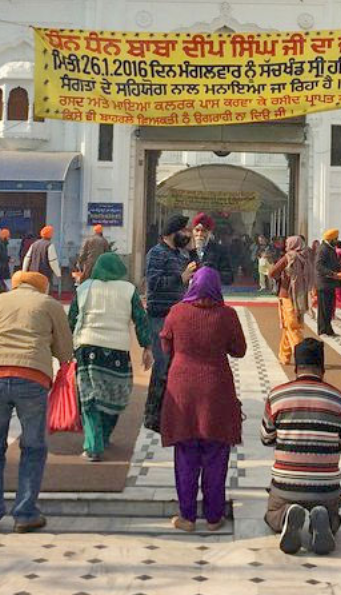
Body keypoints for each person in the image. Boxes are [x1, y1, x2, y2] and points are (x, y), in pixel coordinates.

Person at [0, 270, 73, 534]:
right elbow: (65, 350)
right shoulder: (48, 304)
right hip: (32, 377)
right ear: (42, 288)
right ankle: (25, 513)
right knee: (33, 446)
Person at [160, 267, 247, 532]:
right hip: (216, 388)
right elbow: (240, 350)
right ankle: (213, 517)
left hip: (182, 387)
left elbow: (165, 345)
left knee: (186, 453)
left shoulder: (177, 312)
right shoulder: (227, 315)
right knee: (216, 454)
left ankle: (187, 517)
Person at [261, 338, 341, 555]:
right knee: (334, 516)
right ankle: (324, 520)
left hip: (286, 485)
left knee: (271, 513)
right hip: (325, 488)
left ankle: (285, 515)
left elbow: (266, 437)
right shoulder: (339, 399)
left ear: (295, 368)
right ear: (322, 369)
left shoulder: (277, 395)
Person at [68, 253, 153, 462]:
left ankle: (93, 445)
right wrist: (147, 347)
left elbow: (72, 318)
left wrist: (66, 348)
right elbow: (141, 319)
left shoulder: (85, 288)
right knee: (114, 395)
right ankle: (102, 437)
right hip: (118, 351)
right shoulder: (129, 290)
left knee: (89, 397)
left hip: (88, 349)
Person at [143, 215, 194, 430]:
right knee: (162, 366)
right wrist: (180, 278)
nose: (188, 235)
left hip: (177, 316)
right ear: (174, 232)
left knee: (175, 366)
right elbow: (153, 284)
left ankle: (170, 413)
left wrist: (191, 251)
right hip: (160, 316)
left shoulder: (178, 254)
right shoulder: (157, 253)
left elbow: (196, 272)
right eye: (185, 231)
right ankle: (153, 417)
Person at [269, 235, 311, 364]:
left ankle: (301, 355)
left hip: (286, 294)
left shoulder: (289, 257)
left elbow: (272, 273)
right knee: (290, 325)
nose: (286, 245)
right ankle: (284, 356)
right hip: (300, 295)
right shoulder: (306, 256)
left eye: (287, 243)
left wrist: (282, 277)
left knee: (292, 326)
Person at [315, 230, 341, 336]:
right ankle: (323, 330)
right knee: (323, 309)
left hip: (330, 283)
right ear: (331, 239)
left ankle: (328, 328)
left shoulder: (329, 248)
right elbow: (318, 266)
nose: (337, 241)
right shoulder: (323, 249)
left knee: (329, 308)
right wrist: (333, 274)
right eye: (335, 239)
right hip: (324, 283)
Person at [190, 213, 234, 285]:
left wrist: (210, 274)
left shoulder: (219, 250)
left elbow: (229, 278)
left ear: (209, 232)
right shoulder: (186, 250)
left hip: (210, 293)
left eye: (203, 231)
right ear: (192, 231)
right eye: (197, 230)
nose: (200, 234)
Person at [23, 225, 62, 294]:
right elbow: (53, 261)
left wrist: (24, 271)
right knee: (44, 293)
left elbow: (27, 258)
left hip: (33, 273)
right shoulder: (49, 245)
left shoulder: (34, 244)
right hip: (44, 274)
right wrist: (58, 274)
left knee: (34, 292)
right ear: (50, 235)